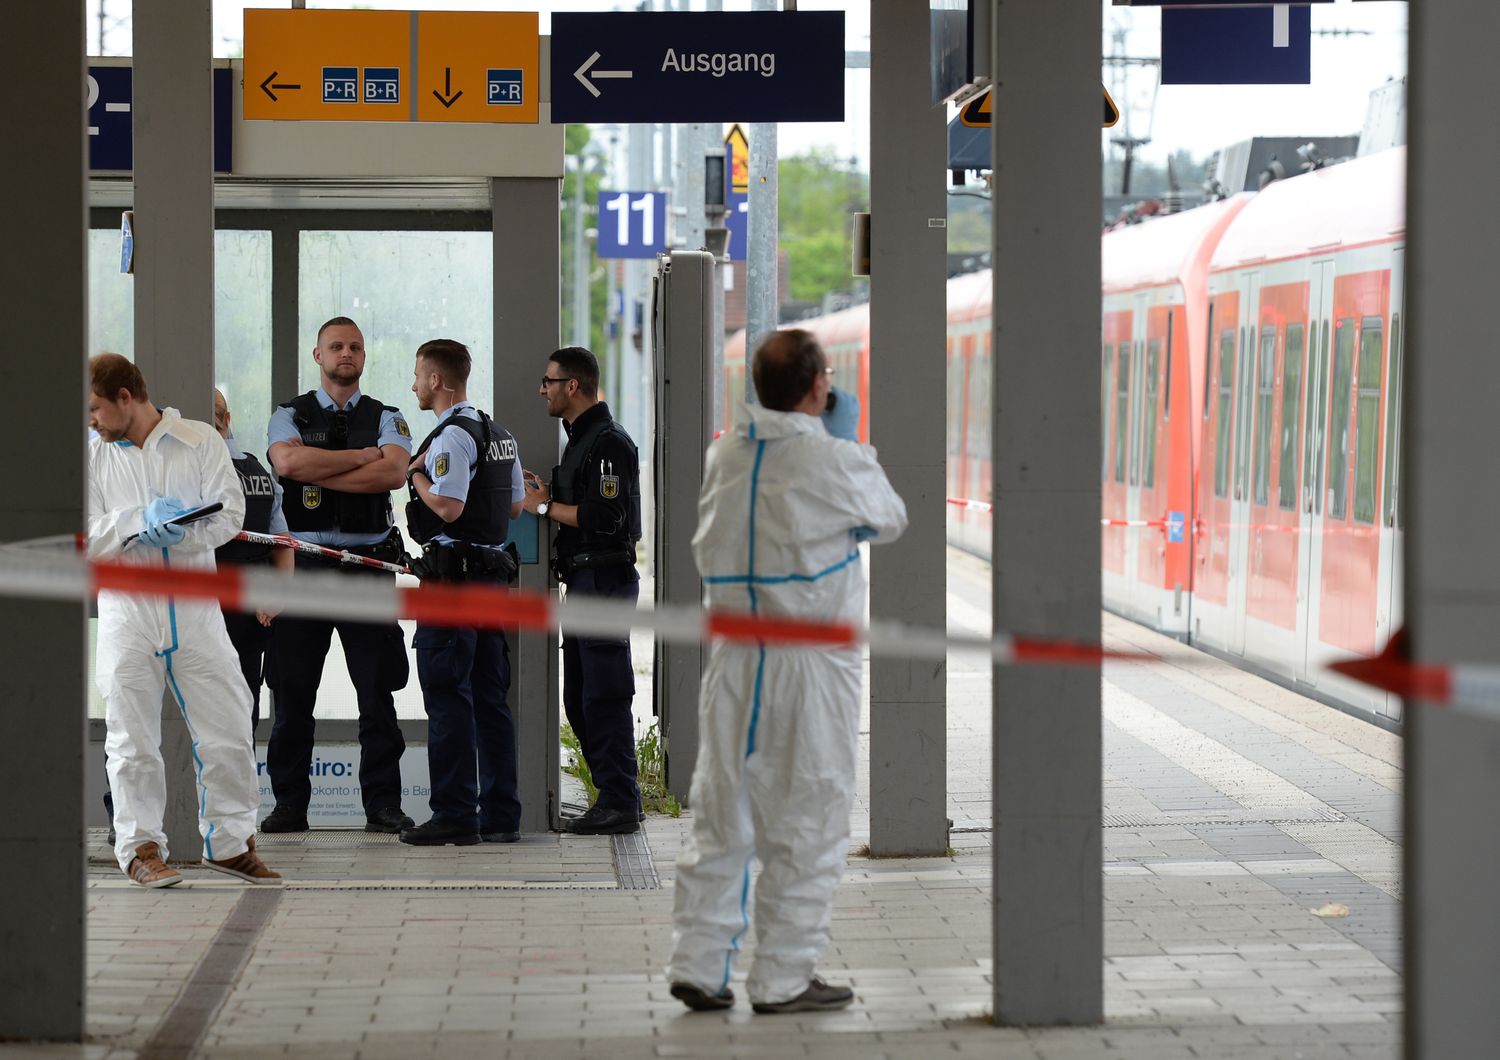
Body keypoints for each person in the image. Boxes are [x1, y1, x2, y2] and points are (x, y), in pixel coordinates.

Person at [666, 329, 907, 1014]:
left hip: (736, 659)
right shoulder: (832, 460)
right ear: (817, 387)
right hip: (810, 665)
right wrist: (848, 442)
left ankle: (700, 962)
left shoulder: (725, 455)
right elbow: (889, 519)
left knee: (723, 812)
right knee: (809, 813)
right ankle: (782, 977)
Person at [87, 353, 280, 888]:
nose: (91, 420)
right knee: (130, 738)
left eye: (96, 408)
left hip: (196, 609)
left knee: (229, 726)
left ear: (126, 397)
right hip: (127, 612)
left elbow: (230, 515)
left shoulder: (200, 440)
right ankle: (140, 848)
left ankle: (230, 844)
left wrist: (182, 533)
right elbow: (85, 535)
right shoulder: (92, 458)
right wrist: (135, 525)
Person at [261, 317, 415, 835]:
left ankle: (383, 807)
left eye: (354, 347)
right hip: (302, 568)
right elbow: (286, 465)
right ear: (317, 355)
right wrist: (358, 459)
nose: (345, 354)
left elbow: (394, 472)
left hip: (366, 568)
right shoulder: (288, 415)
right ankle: (288, 806)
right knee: (293, 694)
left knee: (376, 695)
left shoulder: (389, 417)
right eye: (336, 347)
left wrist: (321, 464)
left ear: (364, 357)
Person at [400, 339, 525, 846]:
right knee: (491, 699)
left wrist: (416, 476)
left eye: (417, 375)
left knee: (449, 695)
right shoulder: (500, 434)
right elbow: (515, 507)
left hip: (453, 585)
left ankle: (454, 813)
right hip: (492, 581)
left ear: (436, 381)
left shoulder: (451, 436)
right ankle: (500, 815)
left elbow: (448, 508)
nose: (413, 385)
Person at [521, 346, 643, 836]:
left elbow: (605, 519)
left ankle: (620, 800)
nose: (542, 390)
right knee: (580, 698)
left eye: (548, 381)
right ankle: (614, 797)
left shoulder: (608, 442)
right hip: (585, 580)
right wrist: (548, 497)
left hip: (605, 579)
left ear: (572, 386)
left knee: (604, 696)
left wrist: (543, 510)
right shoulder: (581, 440)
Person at [212, 388, 294, 734]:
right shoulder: (260, 472)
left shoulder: (201, 473)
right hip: (252, 612)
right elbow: (283, 544)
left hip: (208, 610)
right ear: (228, 419)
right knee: (244, 707)